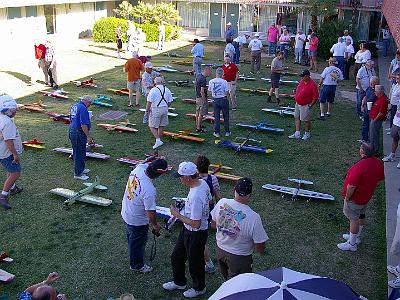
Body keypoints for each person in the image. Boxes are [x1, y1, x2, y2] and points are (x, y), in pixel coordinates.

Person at [163, 161, 211, 298]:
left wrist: (177, 215)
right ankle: (179, 282)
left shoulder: (196, 196)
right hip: (187, 230)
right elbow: (209, 200)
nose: (179, 179)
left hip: (195, 233)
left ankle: (199, 288)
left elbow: (196, 224)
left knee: (195, 262)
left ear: (188, 178)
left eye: (180, 176)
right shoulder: (202, 182)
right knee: (177, 256)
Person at [211, 177, 268, 280]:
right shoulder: (254, 217)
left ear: (234, 190)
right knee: (239, 285)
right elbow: (260, 248)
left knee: (226, 280)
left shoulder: (222, 202)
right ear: (250, 195)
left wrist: (227, 228)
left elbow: (213, 224)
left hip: (220, 250)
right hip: (240, 258)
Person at [121, 158, 168, 273]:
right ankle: (137, 265)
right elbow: (150, 212)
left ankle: (134, 252)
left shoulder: (139, 168)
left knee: (131, 237)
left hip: (126, 211)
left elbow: (144, 162)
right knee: (138, 241)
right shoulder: (149, 190)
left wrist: (153, 158)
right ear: (159, 174)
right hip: (137, 221)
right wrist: (155, 225)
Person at [337, 142, 384, 252]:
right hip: (365, 197)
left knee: (353, 220)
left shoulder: (360, 166)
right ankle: (356, 236)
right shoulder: (378, 162)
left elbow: (351, 186)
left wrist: (347, 198)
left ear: (363, 151)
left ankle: (352, 244)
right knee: (361, 216)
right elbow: (381, 177)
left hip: (355, 199)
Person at [195, 155, 222, 274]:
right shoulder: (213, 178)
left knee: (200, 240)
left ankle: (208, 263)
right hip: (211, 210)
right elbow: (218, 197)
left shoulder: (196, 180)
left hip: (200, 212)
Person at [0, 94, 23, 210]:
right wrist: (15, 154)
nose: (15, 112)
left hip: (2, 152)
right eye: (14, 110)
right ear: (8, 111)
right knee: (15, 173)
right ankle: (3, 195)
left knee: (10, 170)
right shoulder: (7, 123)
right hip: (5, 152)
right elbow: (9, 142)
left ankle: (13, 188)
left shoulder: (2, 118)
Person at [288, 70, 319, 140]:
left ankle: (307, 133)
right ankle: (297, 133)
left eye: (303, 76)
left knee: (306, 120)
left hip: (305, 105)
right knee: (296, 117)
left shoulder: (312, 85)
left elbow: (315, 97)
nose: (301, 78)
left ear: (307, 76)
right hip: (298, 103)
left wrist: (310, 105)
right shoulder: (302, 81)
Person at [69, 95, 94, 181]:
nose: (90, 105)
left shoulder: (75, 105)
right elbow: (83, 124)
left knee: (81, 151)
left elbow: (71, 119)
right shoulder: (83, 109)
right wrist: (88, 136)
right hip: (78, 132)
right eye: (90, 103)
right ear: (87, 101)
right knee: (79, 152)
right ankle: (78, 173)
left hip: (73, 130)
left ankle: (81, 169)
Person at [145, 77, 174, 149]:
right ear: (162, 82)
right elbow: (170, 101)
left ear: (155, 82)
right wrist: (167, 106)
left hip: (156, 109)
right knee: (162, 125)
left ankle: (158, 140)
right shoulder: (167, 89)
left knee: (151, 125)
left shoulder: (153, 90)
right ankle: (159, 139)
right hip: (165, 109)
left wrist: (147, 111)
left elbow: (149, 102)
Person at [383, 75, 400, 166]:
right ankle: (392, 155)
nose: (396, 79)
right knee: (394, 137)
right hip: (397, 119)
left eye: (398, 78)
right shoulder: (396, 85)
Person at [208, 68, 230, 138]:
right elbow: (227, 92)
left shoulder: (211, 81)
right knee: (225, 116)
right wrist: (228, 99)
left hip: (215, 100)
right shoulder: (224, 82)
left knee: (216, 117)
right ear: (222, 74)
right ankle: (227, 132)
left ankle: (217, 132)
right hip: (223, 99)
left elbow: (209, 91)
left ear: (216, 73)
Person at [369, 85, 388, 154]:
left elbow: (381, 113)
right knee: (372, 134)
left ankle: (375, 150)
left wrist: (374, 120)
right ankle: (372, 147)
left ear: (380, 92)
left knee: (374, 135)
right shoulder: (378, 98)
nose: (374, 93)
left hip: (376, 120)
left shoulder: (383, 100)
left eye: (376, 91)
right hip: (373, 118)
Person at [360, 76, 379, 142]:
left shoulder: (378, 91)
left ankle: (370, 140)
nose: (371, 84)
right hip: (366, 110)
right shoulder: (369, 88)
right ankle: (364, 138)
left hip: (372, 111)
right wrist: (362, 105)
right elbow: (365, 96)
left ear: (376, 83)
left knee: (371, 126)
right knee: (365, 124)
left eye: (373, 83)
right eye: (371, 83)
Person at [195, 66, 212, 133]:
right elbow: (202, 91)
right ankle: (198, 128)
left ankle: (197, 124)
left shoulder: (198, 76)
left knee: (197, 112)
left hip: (197, 97)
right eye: (210, 71)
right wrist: (205, 99)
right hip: (201, 98)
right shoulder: (203, 79)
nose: (210, 73)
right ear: (206, 70)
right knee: (201, 114)